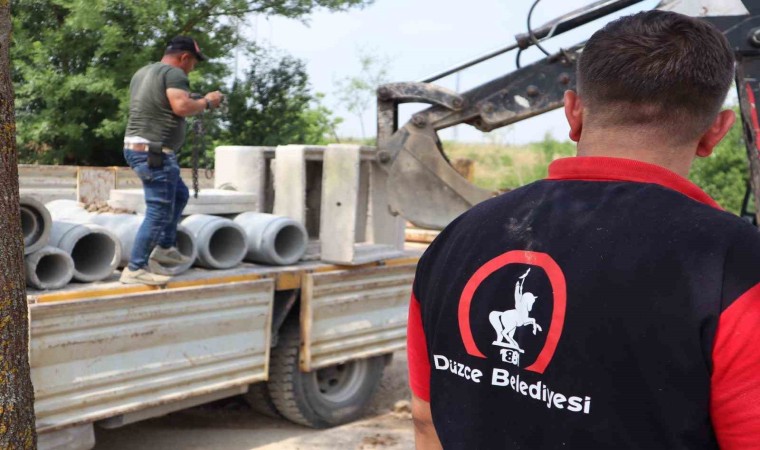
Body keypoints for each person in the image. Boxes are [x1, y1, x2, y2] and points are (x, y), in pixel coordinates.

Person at [407, 10, 760, 449]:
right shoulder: (735, 267)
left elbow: (425, 420)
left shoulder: (458, 237)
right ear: (716, 132)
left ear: (572, 112)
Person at [120, 36, 223, 285]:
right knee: (158, 211)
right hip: (154, 152)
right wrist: (207, 102)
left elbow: (163, 103)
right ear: (184, 57)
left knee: (179, 195)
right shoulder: (175, 74)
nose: (192, 68)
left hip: (139, 148)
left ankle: (165, 247)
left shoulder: (144, 72)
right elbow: (181, 107)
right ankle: (135, 269)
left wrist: (194, 98)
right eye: (193, 62)